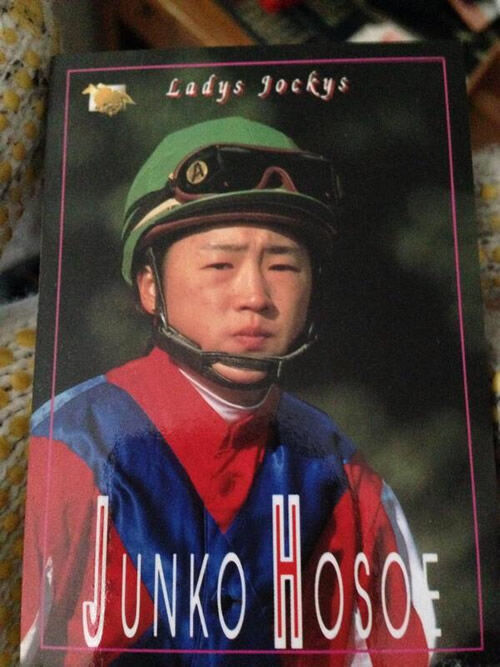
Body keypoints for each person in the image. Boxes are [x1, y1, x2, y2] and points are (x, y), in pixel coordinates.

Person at [21, 117, 436, 665]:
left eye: (283, 265)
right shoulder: (66, 448)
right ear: (150, 287)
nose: (255, 295)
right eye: (221, 263)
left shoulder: (343, 474)